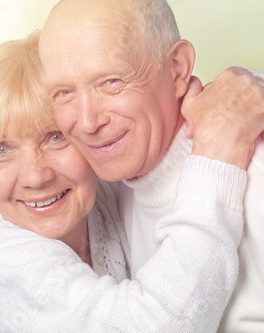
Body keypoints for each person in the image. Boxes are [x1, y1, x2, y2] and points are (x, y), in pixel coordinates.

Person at [0, 30, 261, 332]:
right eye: (0, 149)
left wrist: (197, 99)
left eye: (55, 137)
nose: (35, 175)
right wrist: (217, 151)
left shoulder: (99, 192)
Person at [38, 0, 264, 331]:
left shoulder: (253, 171)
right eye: (63, 93)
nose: (87, 122)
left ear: (177, 68)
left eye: (111, 82)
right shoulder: (109, 185)